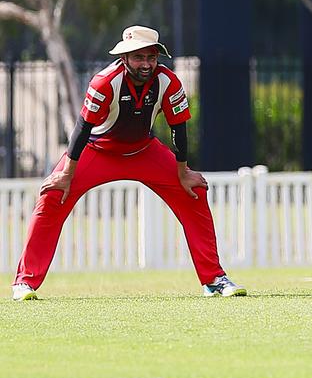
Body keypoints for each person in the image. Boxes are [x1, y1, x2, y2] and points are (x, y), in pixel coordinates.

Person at [11, 26, 245, 300]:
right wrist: (67, 174)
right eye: (138, 57)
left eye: (151, 57)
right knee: (53, 195)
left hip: (143, 151)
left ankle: (214, 279)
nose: (146, 64)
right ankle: (25, 283)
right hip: (97, 150)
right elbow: (82, 128)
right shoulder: (104, 81)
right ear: (124, 57)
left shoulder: (169, 82)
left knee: (194, 192)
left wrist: (183, 172)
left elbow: (178, 127)